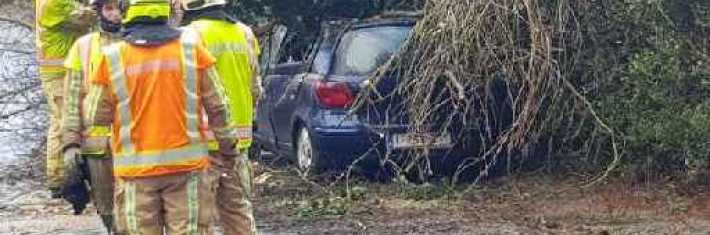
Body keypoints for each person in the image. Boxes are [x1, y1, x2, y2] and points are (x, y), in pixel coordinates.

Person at [76, 0, 238, 233]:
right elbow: (219, 107)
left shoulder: (111, 57)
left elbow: (95, 116)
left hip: (135, 174)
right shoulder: (192, 51)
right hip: (186, 170)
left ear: (127, 12)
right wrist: (228, 149)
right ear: (167, 11)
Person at [181, 0, 261, 234]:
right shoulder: (245, 33)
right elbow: (255, 86)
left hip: (201, 143)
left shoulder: (189, 35)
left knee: (199, 219)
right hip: (238, 142)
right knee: (238, 213)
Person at [60, 0, 122, 233]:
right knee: (107, 209)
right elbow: (72, 99)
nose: (115, 15)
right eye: (108, 8)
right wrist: (70, 144)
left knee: (136, 210)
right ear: (99, 12)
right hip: (97, 148)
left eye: (119, 8)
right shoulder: (83, 46)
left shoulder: (139, 44)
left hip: (133, 144)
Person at [35, 0, 96, 198]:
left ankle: (58, 179)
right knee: (66, 123)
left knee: (58, 123)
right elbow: (87, 17)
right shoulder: (54, 2)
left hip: (59, 71)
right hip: (59, 73)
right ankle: (65, 180)